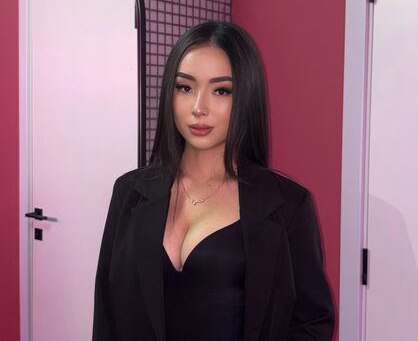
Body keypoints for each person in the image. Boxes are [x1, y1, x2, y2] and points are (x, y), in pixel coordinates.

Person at [92, 21, 335, 341]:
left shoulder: (288, 204)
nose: (198, 108)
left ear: (245, 97)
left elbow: (312, 323)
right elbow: (107, 315)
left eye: (221, 90)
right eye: (185, 87)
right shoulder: (129, 192)